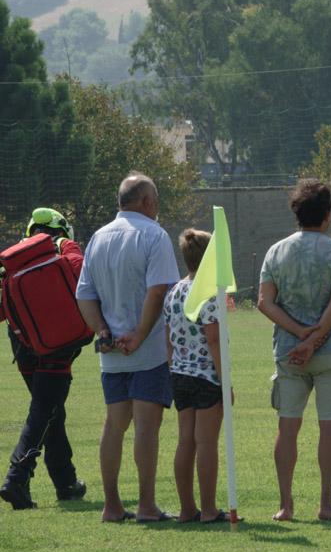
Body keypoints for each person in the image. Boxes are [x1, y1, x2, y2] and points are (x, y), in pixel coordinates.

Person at [75, 173, 181, 523]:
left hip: (111, 353)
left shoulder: (98, 238)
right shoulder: (155, 235)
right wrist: (138, 334)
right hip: (146, 350)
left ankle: (112, 505)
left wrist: (103, 332)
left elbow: (84, 295)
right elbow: (157, 291)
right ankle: (147, 506)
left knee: (114, 426)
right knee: (147, 428)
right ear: (147, 201)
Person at [256, 180, 331, 521]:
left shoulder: (275, 251)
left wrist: (299, 335)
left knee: (288, 427)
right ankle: (327, 505)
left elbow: (264, 303)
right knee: (329, 426)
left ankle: (286, 506)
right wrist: (313, 340)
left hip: (288, 352)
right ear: (327, 215)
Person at [0, 209, 88, 510]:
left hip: (23, 347)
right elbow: (83, 279)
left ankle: (66, 483)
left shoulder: (14, 260)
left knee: (52, 412)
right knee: (43, 412)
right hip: (56, 349)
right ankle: (17, 477)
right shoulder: (63, 247)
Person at [163, 228, 228, 523]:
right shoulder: (209, 293)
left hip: (180, 374)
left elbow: (168, 339)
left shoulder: (174, 291)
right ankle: (209, 509)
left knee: (184, 442)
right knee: (206, 443)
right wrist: (225, 381)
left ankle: (187, 509)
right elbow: (213, 340)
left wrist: (173, 368)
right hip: (206, 375)